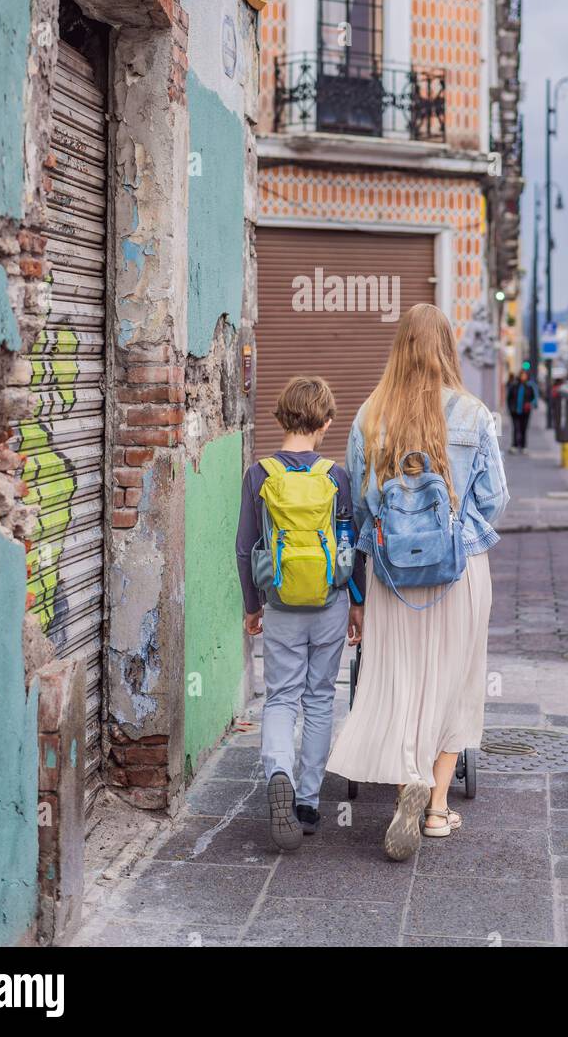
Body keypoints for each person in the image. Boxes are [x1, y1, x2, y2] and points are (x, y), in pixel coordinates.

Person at [327, 304, 509, 860]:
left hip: (391, 575)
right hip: (459, 570)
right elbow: (495, 500)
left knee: (398, 676)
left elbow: (358, 509)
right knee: (456, 681)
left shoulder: (369, 416)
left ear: (399, 348)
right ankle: (435, 806)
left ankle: (405, 771)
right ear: (448, 349)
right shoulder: (475, 414)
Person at [235, 376, 365, 851]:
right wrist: (357, 602)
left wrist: (253, 606)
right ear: (326, 423)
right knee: (318, 698)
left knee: (279, 697)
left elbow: (246, 548)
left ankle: (278, 775)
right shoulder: (336, 476)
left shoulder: (259, 473)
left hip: (281, 604)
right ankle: (308, 802)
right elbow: (352, 545)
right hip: (329, 603)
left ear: (280, 417)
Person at [506, 367, 539, 452]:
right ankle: (515, 445)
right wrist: (510, 408)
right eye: (522, 375)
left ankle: (524, 446)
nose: (523, 377)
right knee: (516, 428)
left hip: (525, 412)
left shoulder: (530, 386)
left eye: (524, 375)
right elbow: (509, 398)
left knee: (523, 428)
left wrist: (530, 404)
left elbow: (535, 398)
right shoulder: (514, 385)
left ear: (527, 376)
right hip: (515, 411)